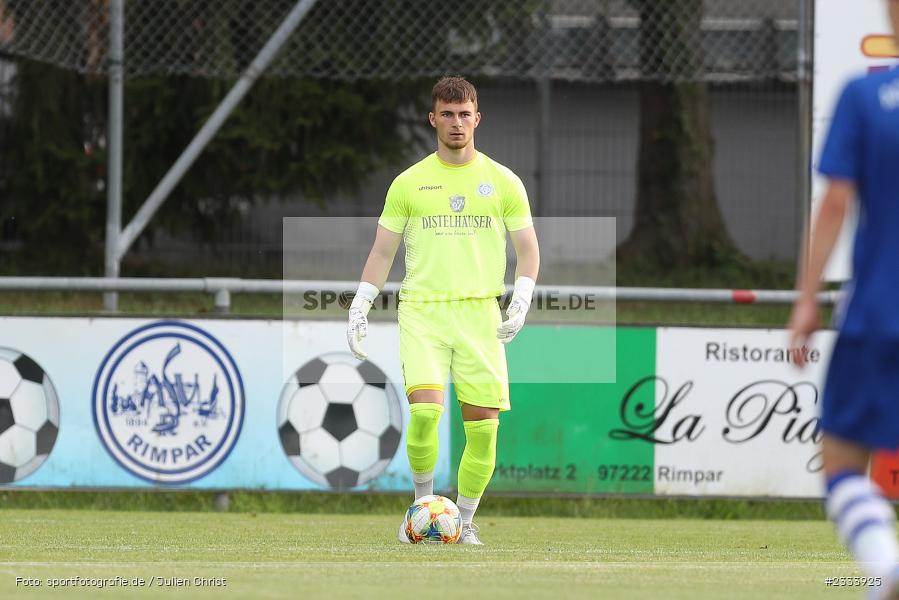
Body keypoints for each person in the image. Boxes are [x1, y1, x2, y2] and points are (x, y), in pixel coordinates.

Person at [346, 76, 540, 545]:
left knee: (484, 431)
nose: (457, 123)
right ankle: (422, 510)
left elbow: (529, 250)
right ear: (433, 119)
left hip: (480, 316)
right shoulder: (409, 183)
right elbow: (382, 252)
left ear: (478, 118)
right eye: (447, 114)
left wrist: (522, 297)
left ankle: (466, 521)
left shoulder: (503, 181)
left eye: (464, 114)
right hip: (423, 313)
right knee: (427, 415)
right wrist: (360, 303)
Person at [788, 1, 899, 595]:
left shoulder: (865, 96)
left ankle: (885, 567)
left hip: (881, 310)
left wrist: (806, 299)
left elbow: (835, 203)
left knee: (841, 462)